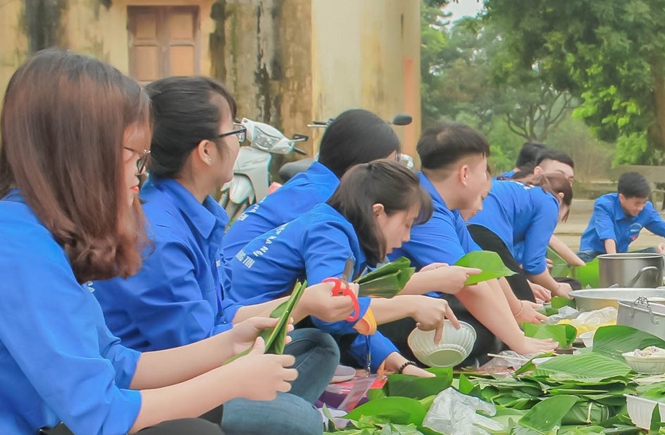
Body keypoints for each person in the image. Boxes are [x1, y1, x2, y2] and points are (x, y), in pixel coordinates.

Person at [0, 50, 298, 435]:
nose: (141, 176)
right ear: (80, 152)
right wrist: (233, 379)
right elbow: (99, 414)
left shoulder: (30, 233)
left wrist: (228, 346)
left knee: (200, 431)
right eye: (133, 158)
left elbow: (118, 363)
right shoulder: (13, 247)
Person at [92, 76, 353, 435]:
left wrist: (300, 303)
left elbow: (221, 313)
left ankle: (250, 433)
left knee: (317, 347)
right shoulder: (159, 237)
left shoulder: (198, 213)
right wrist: (291, 311)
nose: (239, 142)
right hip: (168, 388)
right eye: (235, 131)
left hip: (201, 359)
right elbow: (195, 349)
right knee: (299, 425)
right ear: (206, 151)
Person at [223, 159, 460, 377]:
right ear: (377, 213)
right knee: (322, 347)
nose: (407, 237)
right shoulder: (330, 234)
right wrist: (413, 304)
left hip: (245, 326)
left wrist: (399, 363)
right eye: (406, 224)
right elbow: (333, 311)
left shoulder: (335, 229)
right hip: (231, 336)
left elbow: (350, 309)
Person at [390, 123, 557, 364]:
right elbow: (469, 284)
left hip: (432, 304)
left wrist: (516, 315)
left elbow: (483, 269)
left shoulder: (445, 207)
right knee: (481, 333)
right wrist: (519, 342)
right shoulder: (423, 208)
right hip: (396, 313)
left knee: (491, 327)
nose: (486, 179)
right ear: (465, 174)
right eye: (484, 171)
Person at [221, 109, 401, 260]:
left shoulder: (311, 184)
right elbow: (337, 289)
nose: (389, 180)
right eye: (386, 169)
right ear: (360, 164)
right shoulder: (330, 201)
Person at [468, 170, 577, 301]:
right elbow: (533, 265)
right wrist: (558, 289)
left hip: (469, 225)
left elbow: (522, 263)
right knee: (524, 298)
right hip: (486, 233)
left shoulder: (522, 193)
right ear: (560, 197)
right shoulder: (550, 202)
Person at [578, 172, 665, 260]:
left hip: (621, 256)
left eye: (644, 202)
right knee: (582, 258)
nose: (641, 208)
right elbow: (608, 235)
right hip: (593, 254)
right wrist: (614, 263)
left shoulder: (646, 210)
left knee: (655, 253)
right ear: (622, 198)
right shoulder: (604, 205)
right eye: (637, 203)